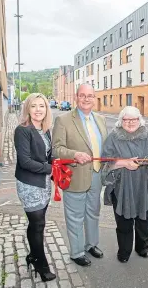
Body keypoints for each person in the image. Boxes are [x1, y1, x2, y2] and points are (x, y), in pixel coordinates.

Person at [52, 84, 107, 267]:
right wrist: (74, 154)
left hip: (97, 174)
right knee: (75, 216)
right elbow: (56, 149)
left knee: (93, 213)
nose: (86, 99)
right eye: (82, 95)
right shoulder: (64, 120)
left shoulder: (100, 119)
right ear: (76, 97)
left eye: (90, 95)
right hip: (74, 175)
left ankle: (91, 244)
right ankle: (76, 252)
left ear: (94, 98)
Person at [101, 106, 148, 263]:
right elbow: (106, 161)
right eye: (126, 119)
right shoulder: (113, 137)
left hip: (142, 185)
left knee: (144, 220)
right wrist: (123, 163)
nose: (130, 122)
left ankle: (142, 248)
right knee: (123, 222)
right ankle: (124, 251)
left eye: (134, 119)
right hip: (121, 186)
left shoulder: (147, 136)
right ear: (121, 121)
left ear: (139, 120)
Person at [14, 93, 56, 282]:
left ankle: (32, 255)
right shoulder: (22, 130)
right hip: (29, 183)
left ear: (46, 109)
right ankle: (41, 263)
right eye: (34, 106)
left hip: (44, 182)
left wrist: (57, 165)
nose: (38, 110)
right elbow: (25, 162)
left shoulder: (46, 129)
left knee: (38, 223)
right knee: (38, 224)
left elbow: (48, 155)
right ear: (28, 109)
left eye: (42, 106)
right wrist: (50, 168)